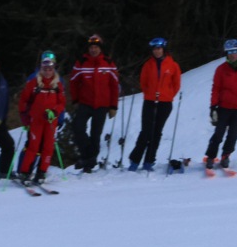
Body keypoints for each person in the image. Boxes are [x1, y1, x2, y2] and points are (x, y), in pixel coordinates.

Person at [128, 38, 182, 172]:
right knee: (146, 132)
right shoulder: (148, 65)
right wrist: (150, 94)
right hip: (150, 102)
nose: (157, 51)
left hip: (165, 103)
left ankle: (149, 161)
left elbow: (176, 84)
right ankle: (135, 160)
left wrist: (167, 95)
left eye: (159, 49)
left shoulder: (172, 65)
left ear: (163, 49)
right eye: (154, 49)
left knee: (156, 133)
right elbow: (143, 82)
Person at [69, 34, 119, 173]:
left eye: (96, 47)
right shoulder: (81, 62)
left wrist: (113, 106)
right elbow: (73, 82)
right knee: (77, 127)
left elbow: (114, 86)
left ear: (100, 48)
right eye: (91, 47)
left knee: (95, 134)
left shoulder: (108, 63)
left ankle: (89, 163)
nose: (93, 50)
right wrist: (75, 100)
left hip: (102, 105)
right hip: (85, 103)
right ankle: (88, 155)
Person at [16, 51, 66, 185]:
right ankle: (25, 172)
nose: (48, 71)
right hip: (36, 120)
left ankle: (41, 172)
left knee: (48, 147)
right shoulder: (34, 82)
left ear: (54, 68)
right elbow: (23, 101)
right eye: (45, 69)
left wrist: (55, 113)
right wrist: (24, 118)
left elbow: (61, 102)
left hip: (50, 121)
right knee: (33, 147)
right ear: (41, 68)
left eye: (50, 69)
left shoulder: (58, 84)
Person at [203, 39, 237, 175]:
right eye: (230, 52)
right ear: (226, 53)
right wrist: (213, 107)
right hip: (224, 107)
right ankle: (211, 157)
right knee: (218, 134)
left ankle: (226, 156)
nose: (232, 54)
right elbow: (216, 89)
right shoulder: (221, 69)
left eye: (235, 51)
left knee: (233, 134)